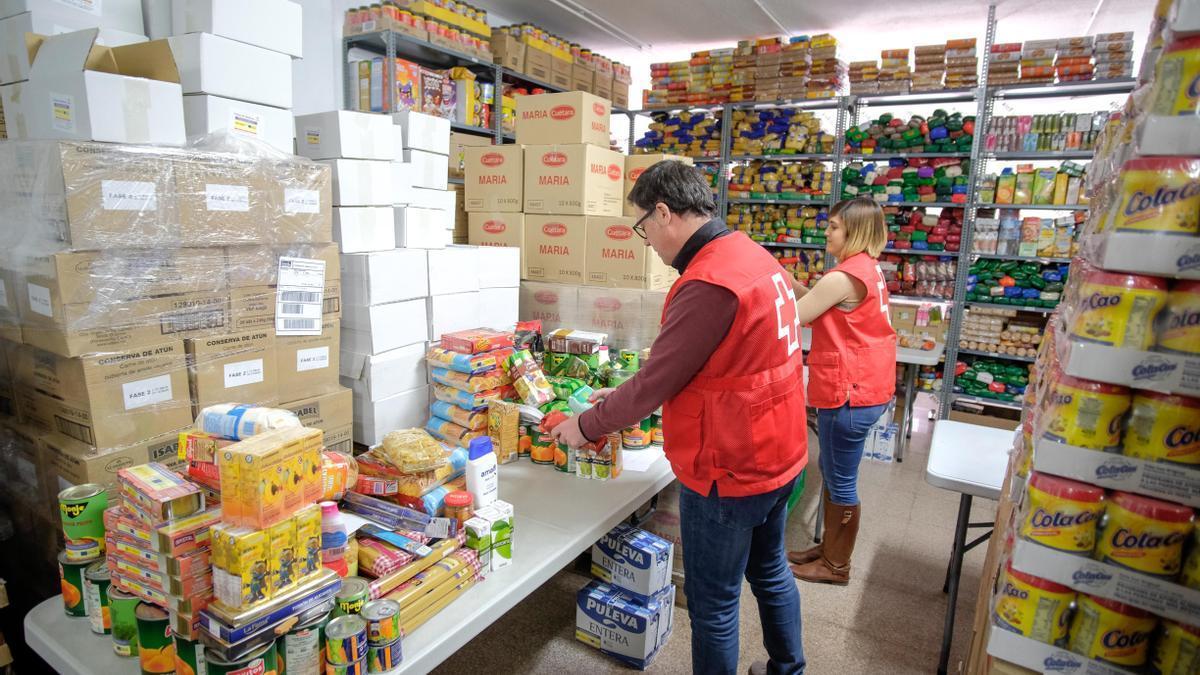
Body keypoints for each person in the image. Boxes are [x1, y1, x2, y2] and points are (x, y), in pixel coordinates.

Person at [551, 160, 808, 675]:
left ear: (663, 212)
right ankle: (788, 668)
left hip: (729, 464)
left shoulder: (709, 281)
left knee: (714, 605)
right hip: (779, 448)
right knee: (771, 570)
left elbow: (654, 383)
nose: (646, 241)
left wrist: (584, 425)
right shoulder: (750, 253)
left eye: (643, 227)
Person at [785, 197, 897, 586]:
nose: (826, 232)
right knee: (834, 473)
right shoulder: (866, 270)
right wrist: (787, 281)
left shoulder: (842, 277)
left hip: (849, 389)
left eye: (833, 226)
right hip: (868, 384)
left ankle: (836, 565)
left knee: (841, 478)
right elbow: (816, 300)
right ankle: (828, 550)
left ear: (856, 231)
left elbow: (795, 316)